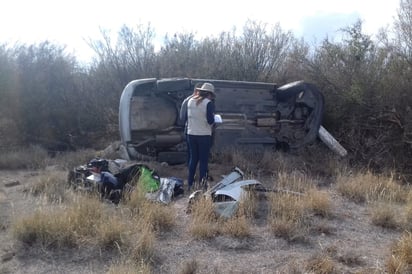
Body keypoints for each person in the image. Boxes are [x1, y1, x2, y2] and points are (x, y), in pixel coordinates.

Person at [186, 82, 216, 192]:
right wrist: (213, 117)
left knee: (193, 159)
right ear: (209, 94)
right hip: (203, 135)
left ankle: (190, 183)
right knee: (203, 161)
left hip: (191, 134)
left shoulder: (190, 101)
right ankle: (202, 185)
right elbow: (210, 121)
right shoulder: (208, 103)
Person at [180, 83, 201, 166]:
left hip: (189, 129)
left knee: (190, 150)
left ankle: (189, 166)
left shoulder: (186, 101)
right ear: (196, 91)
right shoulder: (200, 102)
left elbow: (182, 117)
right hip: (198, 130)